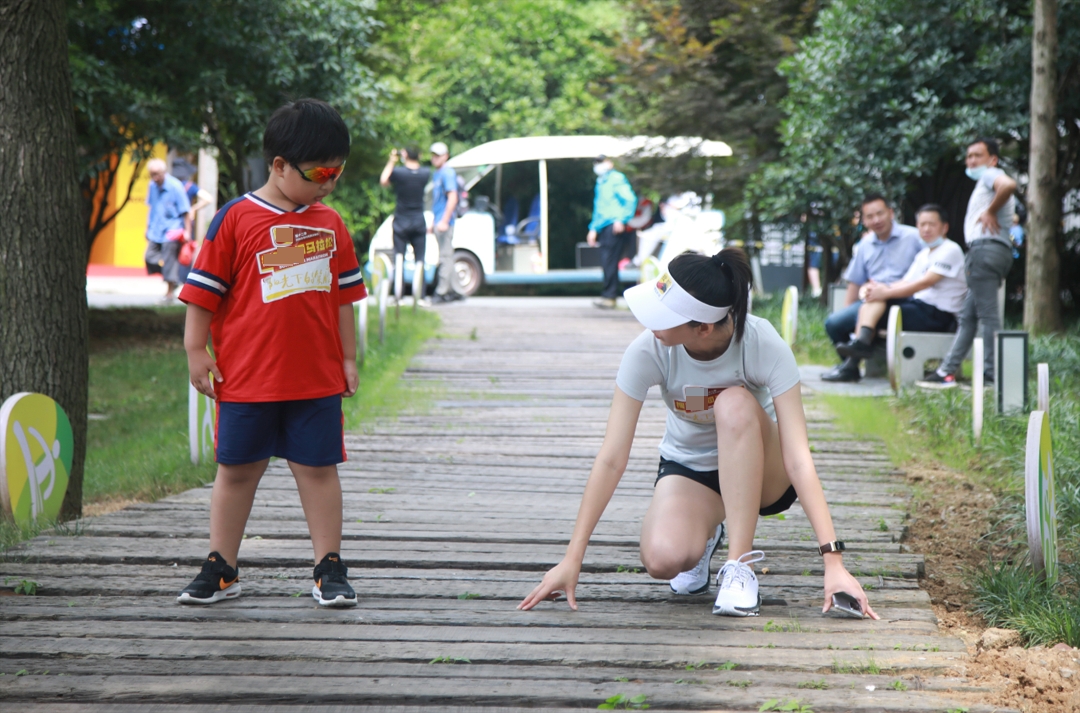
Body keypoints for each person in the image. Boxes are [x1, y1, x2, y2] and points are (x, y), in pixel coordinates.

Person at [519, 249, 878, 620]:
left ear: (703, 328)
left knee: (733, 403)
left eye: (663, 317)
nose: (649, 323)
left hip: (764, 472)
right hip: (693, 471)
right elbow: (611, 458)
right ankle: (707, 530)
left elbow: (799, 457)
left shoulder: (761, 343)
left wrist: (833, 561)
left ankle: (740, 567)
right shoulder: (649, 349)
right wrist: (572, 558)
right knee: (662, 559)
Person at [176, 99, 367, 607]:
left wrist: (349, 359)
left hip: (316, 380)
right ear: (279, 165)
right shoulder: (235, 219)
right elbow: (202, 293)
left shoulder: (331, 224)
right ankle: (221, 567)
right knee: (237, 470)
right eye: (320, 173)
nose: (329, 184)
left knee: (318, 470)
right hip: (246, 380)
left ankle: (329, 567)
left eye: (338, 173)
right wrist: (196, 349)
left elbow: (344, 300)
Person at [920, 138, 1017, 387]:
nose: (971, 161)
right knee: (968, 316)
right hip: (991, 252)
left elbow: (1009, 185)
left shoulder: (991, 175)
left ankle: (991, 375)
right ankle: (947, 371)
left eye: (977, 155)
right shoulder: (986, 181)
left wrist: (990, 211)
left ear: (992, 159)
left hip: (984, 251)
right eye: (969, 156)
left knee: (987, 316)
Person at [834, 205, 966, 361]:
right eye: (922, 224)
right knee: (873, 301)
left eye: (931, 224)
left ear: (944, 227)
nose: (926, 229)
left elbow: (925, 282)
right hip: (920, 308)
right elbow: (906, 281)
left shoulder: (950, 249)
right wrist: (879, 289)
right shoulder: (924, 254)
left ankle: (858, 351)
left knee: (876, 311)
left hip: (940, 315)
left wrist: (886, 292)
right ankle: (860, 345)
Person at [821, 195, 923, 382]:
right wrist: (849, 312)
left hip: (906, 299)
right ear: (864, 221)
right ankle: (850, 366)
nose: (876, 220)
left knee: (874, 300)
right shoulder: (864, 245)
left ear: (890, 213)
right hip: (872, 299)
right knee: (834, 323)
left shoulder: (914, 237)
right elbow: (855, 282)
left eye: (879, 214)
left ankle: (850, 366)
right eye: (869, 216)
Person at [380, 146, 431, 299]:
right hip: (418, 221)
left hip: (401, 222)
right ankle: (421, 296)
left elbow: (384, 181)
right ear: (419, 155)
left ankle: (399, 295)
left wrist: (392, 161)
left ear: (405, 154)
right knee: (420, 259)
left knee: (399, 258)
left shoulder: (399, 173)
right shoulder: (425, 173)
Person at [587, 155, 637, 309]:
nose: (598, 165)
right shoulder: (601, 181)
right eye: (596, 162)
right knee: (606, 261)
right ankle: (608, 295)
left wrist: (621, 219)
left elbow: (630, 199)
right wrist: (593, 229)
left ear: (609, 163)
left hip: (614, 225)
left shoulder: (616, 178)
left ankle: (610, 296)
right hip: (603, 226)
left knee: (609, 261)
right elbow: (599, 208)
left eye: (601, 161)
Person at [145, 158, 193, 302]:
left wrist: (187, 231)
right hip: (156, 230)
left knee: (169, 261)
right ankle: (173, 278)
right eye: (152, 174)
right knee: (149, 258)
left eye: (157, 174)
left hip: (172, 230)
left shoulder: (175, 186)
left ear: (164, 172)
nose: (155, 177)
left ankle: (169, 294)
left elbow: (185, 211)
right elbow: (151, 208)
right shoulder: (152, 185)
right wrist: (147, 227)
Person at [429, 141, 463, 303]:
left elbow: (453, 198)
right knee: (447, 255)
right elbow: (437, 201)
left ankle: (441, 292)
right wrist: (433, 221)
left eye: (438, 155)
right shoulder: (437, 173)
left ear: (446, 156)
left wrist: (444, 221)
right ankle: (456, 291)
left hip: (445, 222)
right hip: (438, 220)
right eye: (433, 155)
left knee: (444, 257)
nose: (434, 158)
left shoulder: (448, 173)